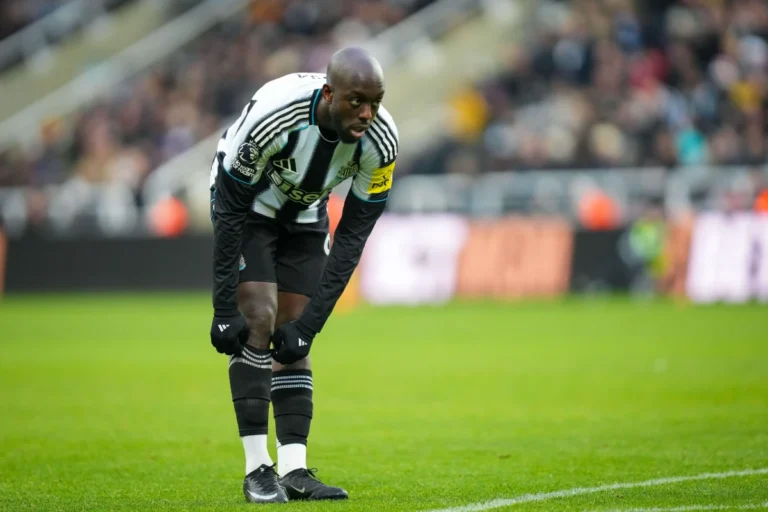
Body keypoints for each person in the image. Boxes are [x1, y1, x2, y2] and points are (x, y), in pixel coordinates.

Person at [207, 47, 398, 503]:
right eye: (356, 101)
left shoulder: (383, 142)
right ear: (329, 93)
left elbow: (353, 238)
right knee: (258, 316)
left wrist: (310, 327)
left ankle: (294, 469)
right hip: (247, 207)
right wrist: (221, 307)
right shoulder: (277, 115)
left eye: (375, 101)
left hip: (308, 216)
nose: (367, 113)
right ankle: (257, 469)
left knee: (293, 331)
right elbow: (231, 207)